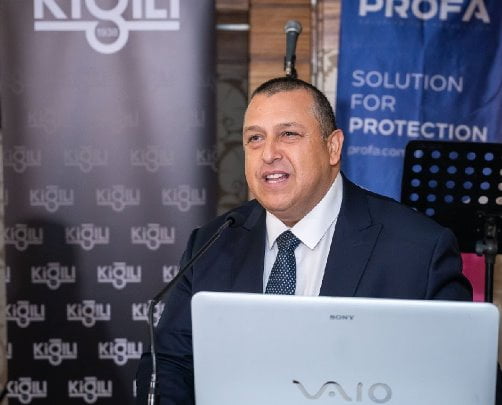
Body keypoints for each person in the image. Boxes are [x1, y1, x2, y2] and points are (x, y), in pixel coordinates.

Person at [135, 77, 473, 404]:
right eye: (255, 138)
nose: (269, 153)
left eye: (289, 134)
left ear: (333, 147)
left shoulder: (419, 250)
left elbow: (461, 381)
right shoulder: (212, 244)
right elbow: (170, 364)